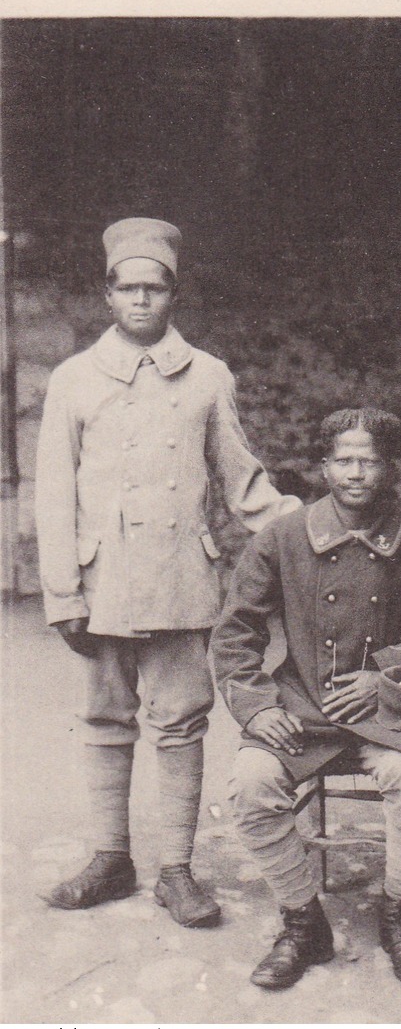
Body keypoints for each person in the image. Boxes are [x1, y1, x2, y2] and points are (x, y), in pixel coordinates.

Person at [35, 217, 300, 927]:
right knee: (105, 718)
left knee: (181, 722)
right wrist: (62, 591)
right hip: (102, 586)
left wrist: (310, 530)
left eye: (156, 289)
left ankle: (176, 869)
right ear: (108, 294)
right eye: (130, 288)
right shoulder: (73, 380)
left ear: (174, 295)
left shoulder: (208, 377)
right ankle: (110, 856)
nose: (142, 301)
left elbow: (244, 484)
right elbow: (54, 488)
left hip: (184, 580)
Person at [211, 408, 401, 989]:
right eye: (345, 460)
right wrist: (259, 707)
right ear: (324, 467)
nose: (357, 473)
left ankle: (400, 910)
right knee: (251, 784)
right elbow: (235, 635)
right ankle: (303, 920)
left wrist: (386, 678)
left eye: (371, 461)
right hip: (303, 708)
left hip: (394, 712)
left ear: (390, 469)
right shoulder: (281, 538)